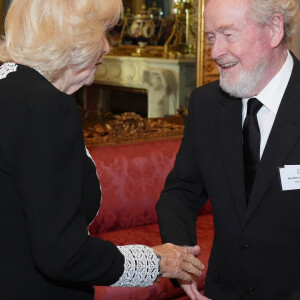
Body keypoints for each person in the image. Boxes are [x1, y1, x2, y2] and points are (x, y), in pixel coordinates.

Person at [0, 0, 205, 299]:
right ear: (74, 38)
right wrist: (156, 261)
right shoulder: (46, 108)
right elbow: (63, 254)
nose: (108, 48)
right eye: (104, 33)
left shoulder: (12, 89)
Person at [156, 0, 300, 299]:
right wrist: (180, 256)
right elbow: (181, 190)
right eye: (211, 37)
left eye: (228, 34)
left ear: (273, 29)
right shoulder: (206, 104)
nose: (215, 52)